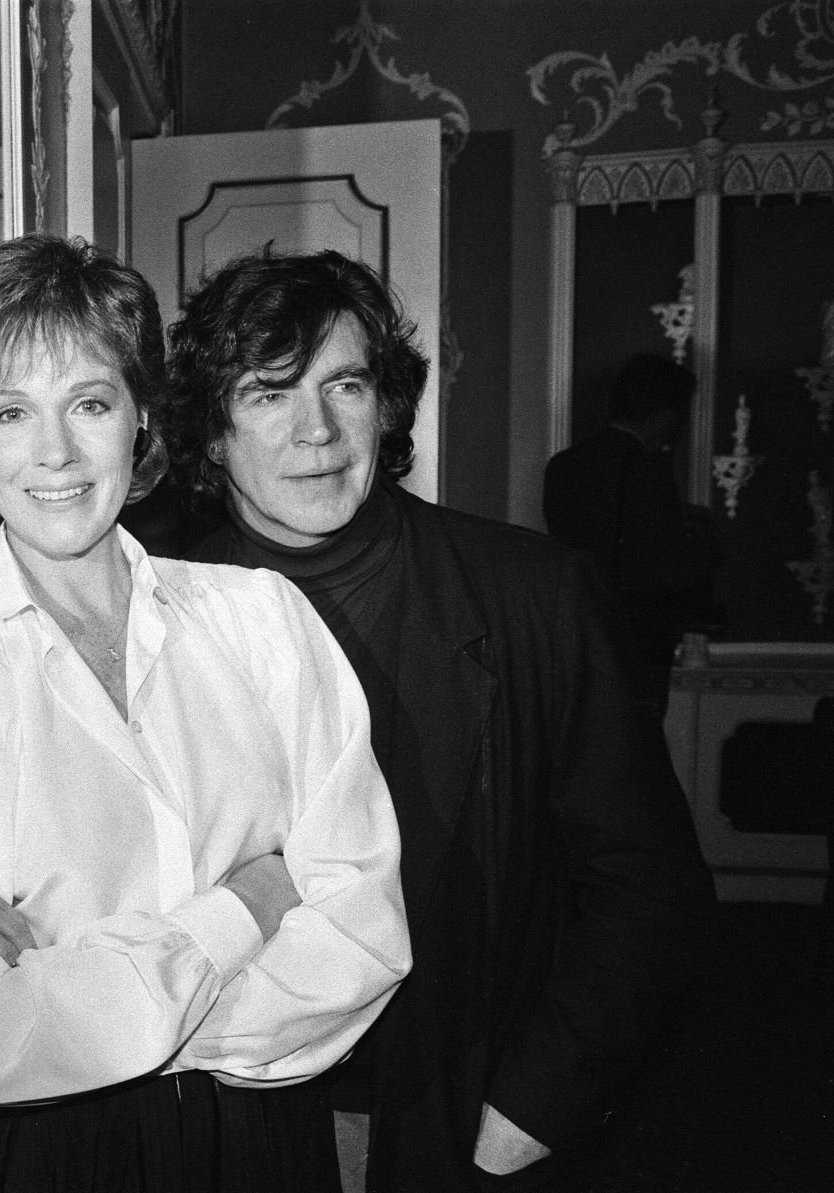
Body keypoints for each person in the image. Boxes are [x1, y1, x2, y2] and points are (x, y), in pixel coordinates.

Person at [0, 234, 411, 1192]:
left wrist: (86, 987)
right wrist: (250, 901)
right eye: (9, 412)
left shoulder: (262, 619)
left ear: (142, 420)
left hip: (261, 1150)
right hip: (51, 1164)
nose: (55, 454)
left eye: (89, 403)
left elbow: (364, 935)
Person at [169, 248, 713, 1191]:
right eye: (268, 393)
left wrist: (532, 1107)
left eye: (344, 383)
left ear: (386, 404)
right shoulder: (156, 626)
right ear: (213, 436)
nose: (318, 431)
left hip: (458, 1122)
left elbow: (649, 887)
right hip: (232, 1129)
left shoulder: (535, 598)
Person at [543, 354, 719, 717]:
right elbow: (665, 567)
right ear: (667, 414)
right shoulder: (647, 470)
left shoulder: (564, 465)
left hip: (573, 635)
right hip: (639, 638)